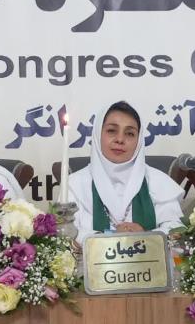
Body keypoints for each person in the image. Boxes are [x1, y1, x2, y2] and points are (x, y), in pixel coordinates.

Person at [67, 101, 184, 243]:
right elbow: (66, 232)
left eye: (129, 133)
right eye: (111, 131)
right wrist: (112, 236)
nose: (120, 139)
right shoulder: (74, 184)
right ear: (98, 134)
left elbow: (176, 230)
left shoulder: (158, 181)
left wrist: (145, 236)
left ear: (139, 140)